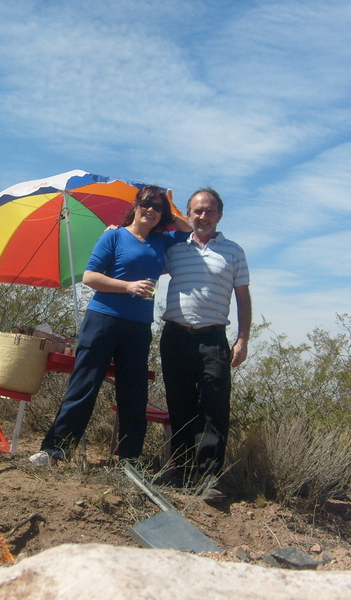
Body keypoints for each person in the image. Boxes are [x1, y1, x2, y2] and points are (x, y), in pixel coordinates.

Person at [30, 186, 191, 465]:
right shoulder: (114, 236)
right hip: (103, 319)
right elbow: (91, 277)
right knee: (84, 385)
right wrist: (128, 285)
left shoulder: (161, 241)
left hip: (139, 325)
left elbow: (189, 232)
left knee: (134, 392)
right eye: (146, 203)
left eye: (158, 207)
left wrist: (173, 209)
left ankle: (129, 459)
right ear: (136, 204)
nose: (151, 210)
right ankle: (55, 450)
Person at [159, 187, 251, 502]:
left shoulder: (234, 251)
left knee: (214, 408)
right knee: (180, 405)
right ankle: (181, 474)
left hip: (214, 338)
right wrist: (120, 233)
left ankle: (208, 479)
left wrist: (243, 338)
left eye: (209, 210)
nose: (203, 216)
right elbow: (140, 258)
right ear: (188, 214)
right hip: (175, 336)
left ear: (219, 215)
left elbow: (243, 297)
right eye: (197, 211)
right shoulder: (173, 248)